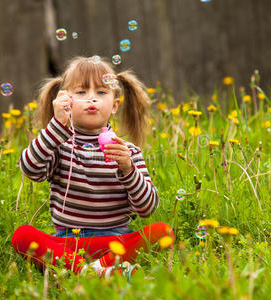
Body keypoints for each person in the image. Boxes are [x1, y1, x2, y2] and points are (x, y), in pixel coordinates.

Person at [12, 55, 174, 278]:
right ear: (65, 100)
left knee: (162, 232)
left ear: (115, 105)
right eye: (81, 92)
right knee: (22, 235)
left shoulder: (128, 153)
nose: (91, 99)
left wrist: (128, 170)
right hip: (68, 243)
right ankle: (98, 273)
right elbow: (29, 168)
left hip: (116, 242)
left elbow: (147, 208)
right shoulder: (58, 146)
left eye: (101, 92)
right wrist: (55, 127)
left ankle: (85, 272)